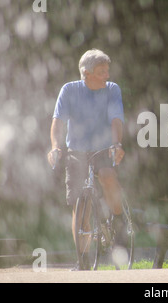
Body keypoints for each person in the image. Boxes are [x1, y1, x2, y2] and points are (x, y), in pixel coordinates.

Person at [47, 49, 125, 269]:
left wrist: (117, 144)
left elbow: (116, 119)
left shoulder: (112, 90)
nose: (107, 76)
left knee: (108, 175)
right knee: (80, 205)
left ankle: (117, 222)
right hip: (77, 151)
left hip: (102, 149)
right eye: (102, 72)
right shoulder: (69, 90)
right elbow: (58, 122)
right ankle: (82, 259)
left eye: (107, 71)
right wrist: (55, 147)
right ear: (86, 73)